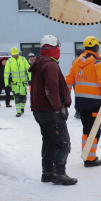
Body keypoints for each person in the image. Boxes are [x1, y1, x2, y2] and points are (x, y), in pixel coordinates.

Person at [29, 35, 77, 185]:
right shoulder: (50, 65)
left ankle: (47, 172)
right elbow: (51, 88)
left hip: (40, 110)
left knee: (49, 140)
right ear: (54, 48)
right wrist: (58, 107)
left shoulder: (40, 63)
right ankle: (59, 174)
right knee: (63, 142)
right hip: (50, 110)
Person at [66, 36, 101, 168]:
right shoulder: (97, 63)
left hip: (81, 104)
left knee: (86, 129)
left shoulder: (77, 62)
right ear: (96, 48)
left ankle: (86, 154)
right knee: (94, 131)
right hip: (94, 104)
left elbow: (68, 81)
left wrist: (65, 97)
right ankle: (90, 159)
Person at [4, 47, 31, 117]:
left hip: (23, 83)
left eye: (16, 54)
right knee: (17, 97)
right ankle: (18, 111)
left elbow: (28, 70)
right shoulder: (9, 61)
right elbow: (6, 74)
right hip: (15, 84)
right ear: (12, 54)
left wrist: (30, 79)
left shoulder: (23, 59)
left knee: (23, 98)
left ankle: (22, 107)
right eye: (14, 54)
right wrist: (6, 84)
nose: (15, 55)